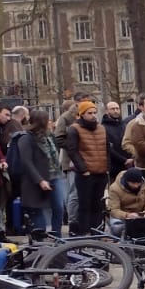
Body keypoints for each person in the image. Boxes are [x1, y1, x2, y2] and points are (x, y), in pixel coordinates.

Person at [62, 99, 110, 233]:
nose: (93, 115)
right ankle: (84, 232)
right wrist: (83, 170)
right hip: (85, 173)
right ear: (82, 114)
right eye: (90, 113)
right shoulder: (74, 129)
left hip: (101, 172)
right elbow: (72, 150)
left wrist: (107, 168)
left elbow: (106, 149)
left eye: (95, 112)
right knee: (84, 205)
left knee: (98, 204)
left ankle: (96, 231)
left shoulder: (101, 128)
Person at [10, 111, 59, 233]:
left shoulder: (49, 137)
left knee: (58, 208)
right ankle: (40, 241)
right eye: (48, 120)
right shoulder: (26, 138)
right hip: (35, 180)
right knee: (38, 211)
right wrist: (40, 180)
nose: (50, 122)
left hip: (54, 176)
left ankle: (58, 240)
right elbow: (27, 161)